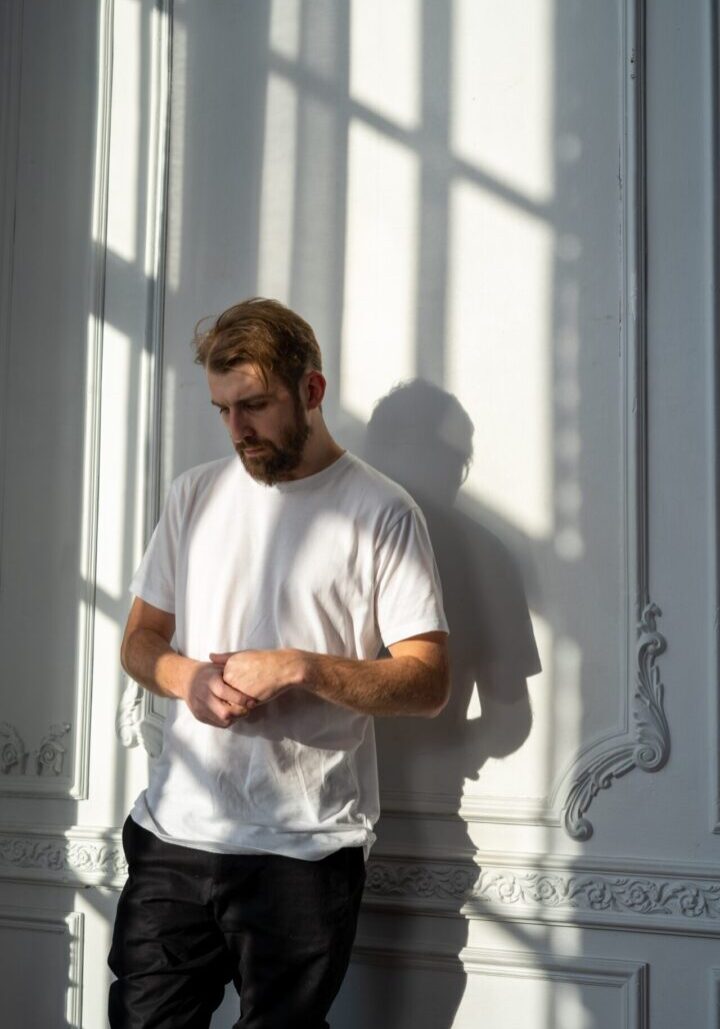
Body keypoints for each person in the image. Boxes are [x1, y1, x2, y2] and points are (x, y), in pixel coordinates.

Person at [108, 297, 450, 1029]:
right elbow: (140, 639)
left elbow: (428, 680)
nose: (238, 429)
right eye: (223, 409)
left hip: (305, 851)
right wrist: (188, 678)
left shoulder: (381, 511)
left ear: (312, 391)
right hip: (175, 833)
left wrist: (302, 666)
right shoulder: (193, 494)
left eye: (255, 405)